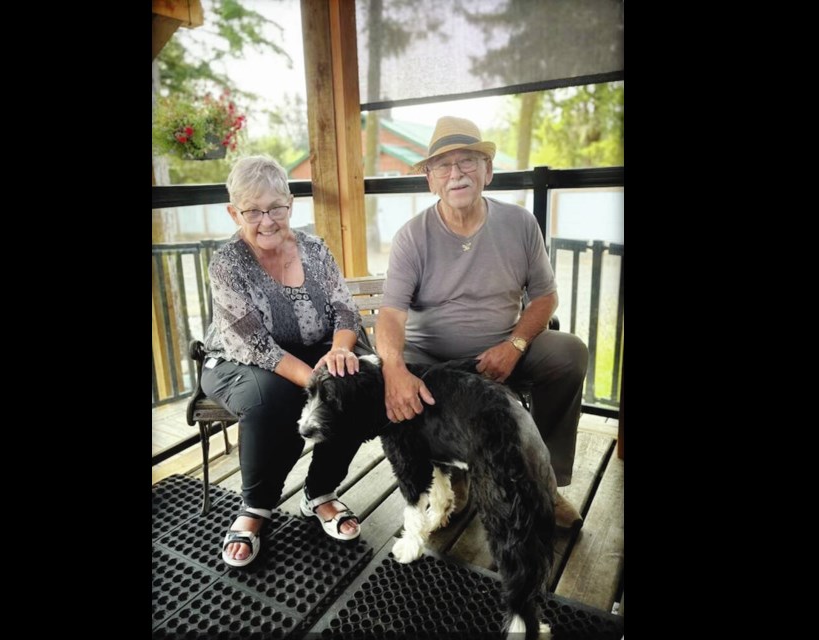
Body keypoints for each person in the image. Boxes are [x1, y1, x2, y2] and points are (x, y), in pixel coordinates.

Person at [375, 116, 588, 527]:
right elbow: (391, 314)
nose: (456, 173)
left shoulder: (520, 223)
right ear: (430, 180)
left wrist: (516, 345)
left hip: (502, 349)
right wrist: (394, 366)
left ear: (487, 171)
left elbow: (545, 296)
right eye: (443, 165)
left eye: (468, 161)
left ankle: (545, 482)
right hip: (433, 357)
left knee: (568, 353)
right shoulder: (412, 236)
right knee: (403, 383)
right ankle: (451, 473)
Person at [200, 155, 366, 567]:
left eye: (276, 207)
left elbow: (346, 312)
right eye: (252, 211)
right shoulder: (227, 265)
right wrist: (316, 379)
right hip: (236, 361)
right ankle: (256, 506)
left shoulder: (314, 248)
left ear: (290, 204)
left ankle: (320, 492)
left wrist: (342, 350)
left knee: (354, 383)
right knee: (272, 395)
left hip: (309, 352)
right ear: (233, 212)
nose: (267, 220)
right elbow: (257, 345)